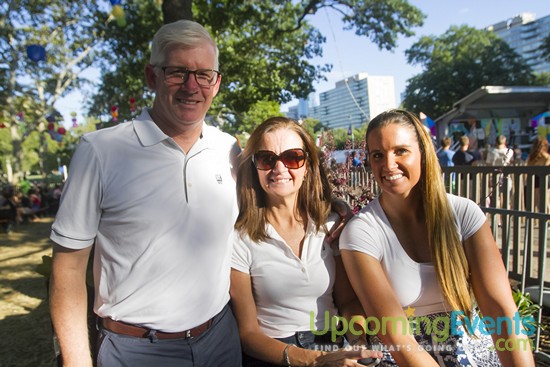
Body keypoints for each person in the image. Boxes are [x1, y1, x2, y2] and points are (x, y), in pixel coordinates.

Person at [49, 20, 242, 367]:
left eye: (204, 75)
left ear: (217, 83)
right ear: (151, 76)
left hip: (220, 339)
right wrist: (76, 360)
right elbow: (67, 268)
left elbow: (271, 204)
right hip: (136, 350)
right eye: (177, 72)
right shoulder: (100, 150)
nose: (191, 86)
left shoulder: (228, 149)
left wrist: (333, 209)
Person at [339, 110, 534, 367]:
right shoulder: (362, 231)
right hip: (399, 353)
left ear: (423, 152)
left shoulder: (464, 214)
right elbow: (395, 335)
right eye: (378, 155)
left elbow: (501, 310)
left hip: (470, 342)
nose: (388, 164)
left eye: (400, 151)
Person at [230, 117, 383, 367]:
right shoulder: (240, 237)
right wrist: (317, 360)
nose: (279, 168)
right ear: (254, 167)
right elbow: (248, 334)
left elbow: (346, 301)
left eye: (292, 157)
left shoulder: (332, 224)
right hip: (274, 354)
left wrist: (359, 343)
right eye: (267, 159)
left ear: (308, 166)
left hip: (332, 341)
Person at [526, 136, 550, 213]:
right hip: (545, 178)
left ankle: (530, 221)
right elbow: (546, 168)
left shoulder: (531, 157)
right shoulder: (546, 156)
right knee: (545, 200)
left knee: (534, 202)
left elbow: (528, 167)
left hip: (534, 178)